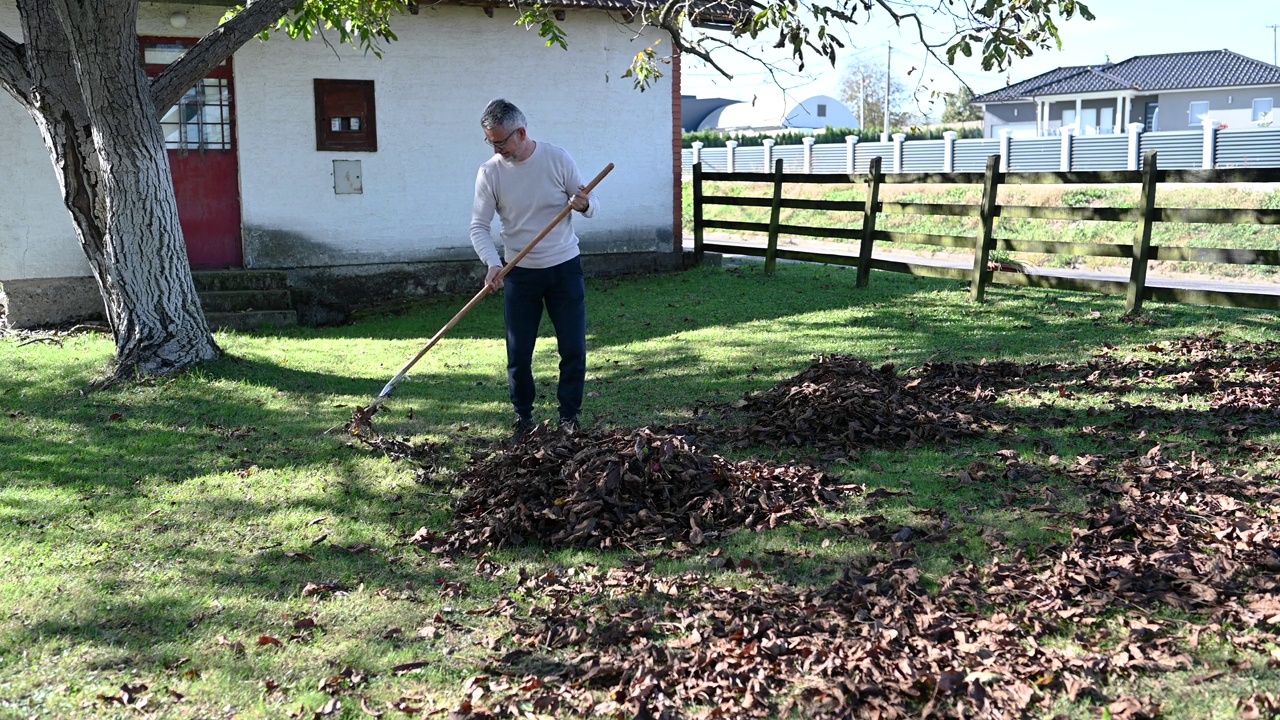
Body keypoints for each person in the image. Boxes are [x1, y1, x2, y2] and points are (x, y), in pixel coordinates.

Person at [469, 99, 598, 443]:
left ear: (521, 132)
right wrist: (493, 263)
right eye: (491, 142)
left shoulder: (557, 159)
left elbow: (588, 202)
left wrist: (583, 204)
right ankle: (523, 417)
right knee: (519, 350)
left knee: (572, 347)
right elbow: (478, 226)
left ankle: (569, 417)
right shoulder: (490, 173)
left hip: (564, 269)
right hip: (519, 272)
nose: (496, 149)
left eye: (500, 142)